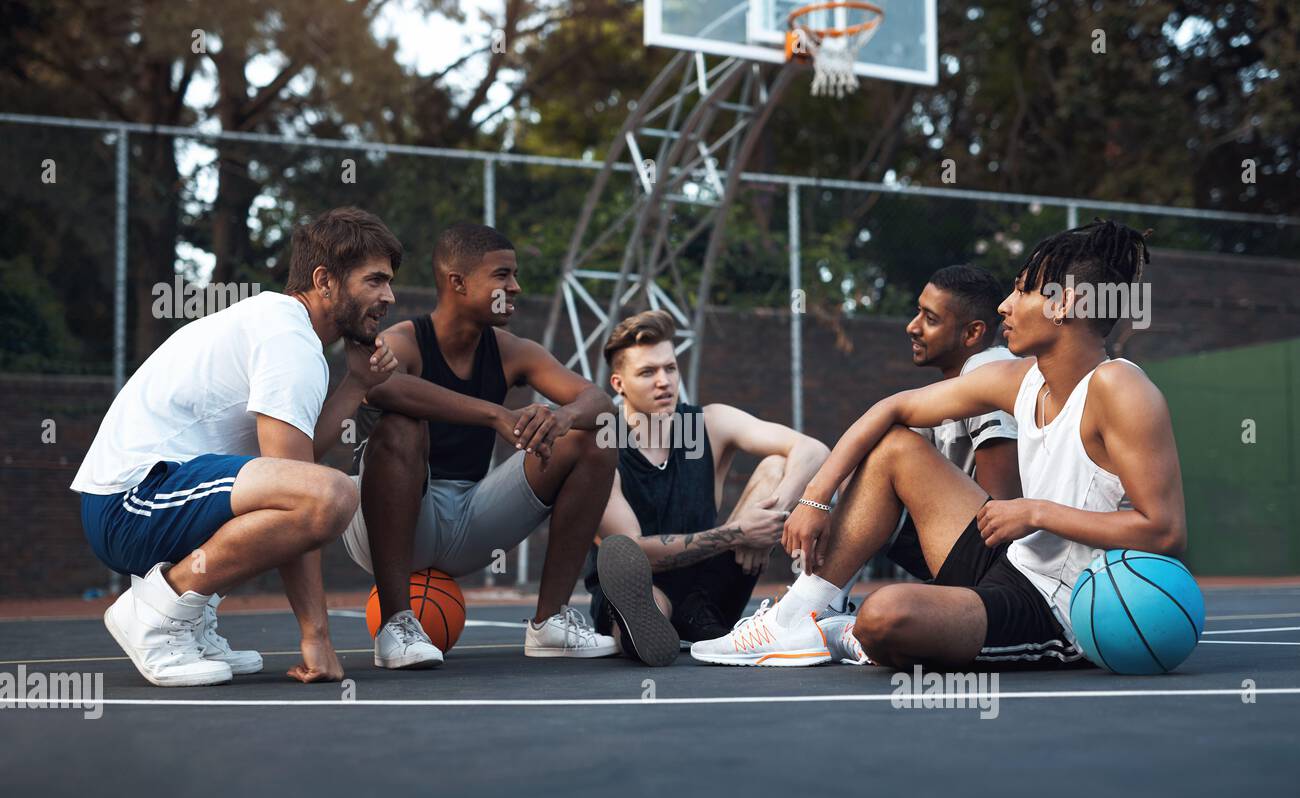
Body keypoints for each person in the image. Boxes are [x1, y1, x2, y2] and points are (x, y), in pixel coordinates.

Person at [691, 220, 1186, 669]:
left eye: (1021, 290)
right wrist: (814, 498)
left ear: (1066, 304)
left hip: (1065, 606)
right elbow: (894, 409)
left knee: (886, 614)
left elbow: (1164, 532)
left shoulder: (1120, 389)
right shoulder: (1021, 380)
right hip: (1013, 559)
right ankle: (799, 616)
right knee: (896, 448)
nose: (1004, 306)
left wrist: (1035, 513)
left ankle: (843, 633)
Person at [72, 206, 403, 686]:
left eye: (388, 282)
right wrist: (317, 637)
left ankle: (188, 617)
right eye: (374, 280)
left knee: (318, 491)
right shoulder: (289, 339)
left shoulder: (283, 327)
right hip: (129, 505)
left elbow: (296, 463)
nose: (388, 296)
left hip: (145, 500)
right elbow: (304, 487)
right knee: (332, 495)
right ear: (325, 281)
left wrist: (356, 385)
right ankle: (156, 615)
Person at [341, 224, 625, 668]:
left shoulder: (513, 351)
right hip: (390, 525)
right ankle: (396, 623)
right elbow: (379, 388)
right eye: (503, 275)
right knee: (401, 427)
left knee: (593, 438)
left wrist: (560, 416)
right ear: (458, 282)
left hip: (470, 519)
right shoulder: (405, 341)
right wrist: (495, 414)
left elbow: (600, 401)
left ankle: (549, 621)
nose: (516, 287)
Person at [587, 310, 830, 655]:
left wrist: (770, 519)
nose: (664, 381)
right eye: (647, 372)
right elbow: (634, 552)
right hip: (642, 581)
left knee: (777, 465)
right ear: (618, 383)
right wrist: (739, 533)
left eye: (670, 368)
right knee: (644, 591)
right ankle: (639, 626)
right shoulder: (603, 449)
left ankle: (683, 620)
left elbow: (813, 450)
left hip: (707, 591)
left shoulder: (710, 423)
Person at [881, 264, 1021, 584]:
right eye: (918, 312)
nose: (912, 327)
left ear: (972, 333)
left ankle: (816, 606)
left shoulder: (988, 370)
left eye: (930, 320)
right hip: (969, 542)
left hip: (996, 560)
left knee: (890, 450)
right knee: (872, 463)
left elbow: (999, 507)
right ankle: (818, 607)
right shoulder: (950, 387)